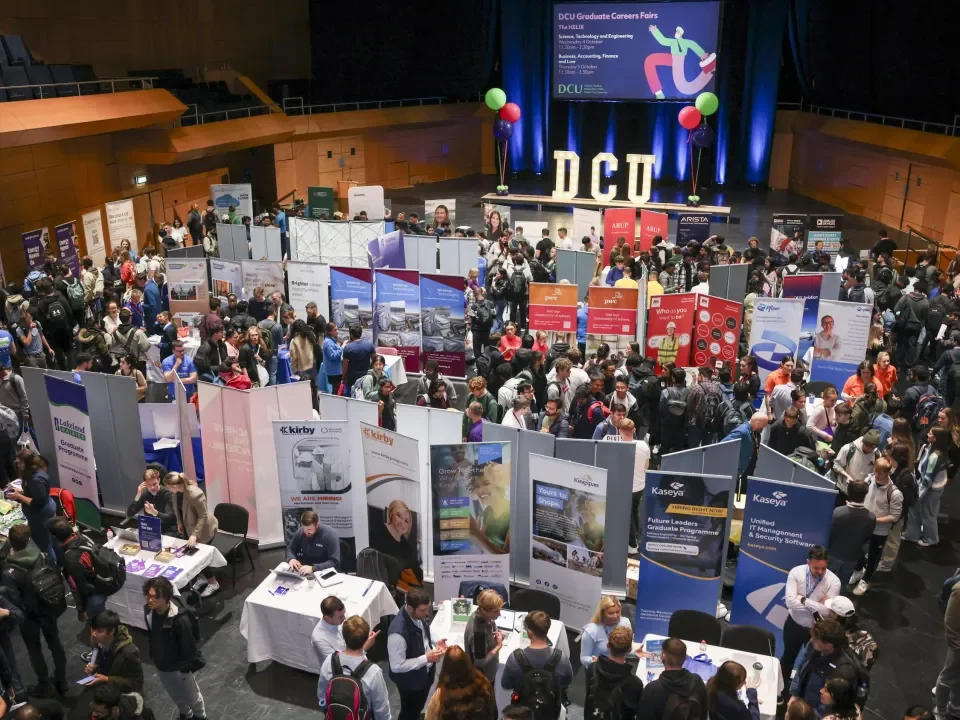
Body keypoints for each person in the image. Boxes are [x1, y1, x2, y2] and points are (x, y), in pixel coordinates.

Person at [2, 523, 64, 699]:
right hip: (48, 607)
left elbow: (13, 600)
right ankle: (62, 679)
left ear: (10, 542)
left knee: (34, 649)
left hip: (29, 616)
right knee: (55, 642)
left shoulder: (9, 571)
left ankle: (43, 684)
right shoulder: (43, 556)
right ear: (28, 540)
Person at [142, 577, 207, 720]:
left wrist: (183, 669)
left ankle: (200, 717)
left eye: (154, 597)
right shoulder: (149, 611)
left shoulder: (179, 620)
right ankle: (186, 714)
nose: (150, 600)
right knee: (175, 695)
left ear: (165, 597)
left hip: (179, 668)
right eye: (148, 595)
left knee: (192, 696)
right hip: (161, 665)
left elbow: (189, 647)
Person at [780, 546, 841, 687]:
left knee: (812, 663)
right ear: (808, 562)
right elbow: (790, 602)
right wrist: (818, 605)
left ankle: (803, 691)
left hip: (817, 630)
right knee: (788, 657)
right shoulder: (796, 573)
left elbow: (827, 611)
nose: (820, 572)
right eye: (816, 568)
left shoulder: (834, 581)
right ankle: (781, 689)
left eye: (823, 568)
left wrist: (802, 599)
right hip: (794, 625)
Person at [501, 611, 574, 718]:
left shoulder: (515, 658)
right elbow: (566, 681)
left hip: (522, 714)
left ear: (529, 633)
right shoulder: (561, 657)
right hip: (551, 712)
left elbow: (506, 685)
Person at [388, 588, 446, 720]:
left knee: (419, 706)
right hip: (410, 683)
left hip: (424, 675)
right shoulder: (397, 634)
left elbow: (424, 632)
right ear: (409, 608)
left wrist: (436, 641)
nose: (427, 613)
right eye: (423, 610)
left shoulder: (416, 615)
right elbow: (396, 666)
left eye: (428, 609)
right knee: (409, 712)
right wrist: (426, 658)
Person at [851, 457, 903, 595]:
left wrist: (874, 520)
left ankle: (866, 579)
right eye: (875, 471)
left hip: (880, 530)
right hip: (864, 525)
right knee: (857, 548)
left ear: (888, 472)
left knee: (874, 556)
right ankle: (858, 570)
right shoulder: (869, 481)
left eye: (881, 472)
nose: (877, 475)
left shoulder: (895, 493)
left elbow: (894, 516)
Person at [163, 472, 220, 597]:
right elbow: (178, 510)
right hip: (188, 526)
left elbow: (203, 516)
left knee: (201, 556)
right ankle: (202, 578)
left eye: (169, 487)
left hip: (203, 529)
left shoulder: (195, 494)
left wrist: (195, 534)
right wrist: (179, 522)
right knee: (191, 554)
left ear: (175, 485)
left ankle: (213, 583)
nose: (168, 490)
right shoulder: (176, 494)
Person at [788, 620, 860, 718]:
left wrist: (808, 716)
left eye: (815, 639)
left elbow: (832, 705)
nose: (811, 640)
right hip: (801, 703)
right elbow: (801, 666)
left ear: (829, 645)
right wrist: (795, 694)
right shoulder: (814, 646)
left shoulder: (843, 672)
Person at [636, 637, 707, 720]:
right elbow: (704, 714)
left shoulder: (652, 690)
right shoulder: (697, 681)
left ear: (663, 657)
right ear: (685, 657)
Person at [904, 425, 952, 546]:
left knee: (928, 514)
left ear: (935, 438)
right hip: (929, 486)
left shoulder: (935, 457)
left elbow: (927, 480)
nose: (927, 435)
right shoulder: (932, 448)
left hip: (930, 489)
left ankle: (931, 539)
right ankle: (912, 535)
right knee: (916, 510)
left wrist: (918, 495)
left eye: (930, 434)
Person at [7, 450, 56, 562]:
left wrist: (19, 496)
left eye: (20, 463)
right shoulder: (37, 470)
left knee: (45, 545)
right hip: (46, 508)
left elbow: (38, 502)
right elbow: (39, 492)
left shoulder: (35, 479)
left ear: (27, 462)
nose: (18, 465)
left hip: (41, 514)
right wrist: (21, 492)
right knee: (50, 539)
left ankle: (52, 565)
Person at [424, 645, 496, 720]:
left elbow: (429, 718)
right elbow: (492, 711)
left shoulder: (440, 695)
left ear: (446, 667)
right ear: (467, 662)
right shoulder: (483, 683)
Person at [827, 480, 876, 587]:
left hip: (834, 553)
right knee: (843, 583)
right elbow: (867, 539)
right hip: (853, 556)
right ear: (865, 494)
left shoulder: (838, 512)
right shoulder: (871, 517)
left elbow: (830, 532)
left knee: (827, 581)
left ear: (849, 493)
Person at [370, 500, 423, 590]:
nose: (402, 522)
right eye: (398, 515)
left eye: (406, 520)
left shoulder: (405, 544)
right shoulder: (377, 533)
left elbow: (414, 567)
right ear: (391, 514)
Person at [86, 610, 144, 693]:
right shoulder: (97, 641)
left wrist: (107, 679)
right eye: (93, 629)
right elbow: (102, 659)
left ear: (112, 631)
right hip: (103, 683)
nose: (93, 634)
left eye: (99, 631)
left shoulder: (129, 652)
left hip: (120, 691)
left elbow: (136, 683)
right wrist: (95, 666)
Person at [464, 589, 504, 686]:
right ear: (483, 610)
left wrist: (497, 632)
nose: (499, 614)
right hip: (482, 678)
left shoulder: (482, 614)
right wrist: (498, 647)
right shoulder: (478, 632)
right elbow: (480, 662)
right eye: (495, 611)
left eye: (499, 610)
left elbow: (492, 625)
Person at [580, 596, 632, 670]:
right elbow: (583, 657)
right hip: (598, 670)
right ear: (602, 613)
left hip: (619, 668)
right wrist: (593, 661)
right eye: (611, 613)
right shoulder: (591, 632)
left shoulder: (625, 623)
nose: (615, 616)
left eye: (618, 612)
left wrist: (635, 652)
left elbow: (625, 649)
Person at [285, 510, 341, 574]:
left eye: (309, 529)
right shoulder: (300, 532)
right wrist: (291, 559)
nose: (306, 532)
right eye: (304, 529)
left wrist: (314, 568)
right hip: (305, 568)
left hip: (323, 569)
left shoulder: (330, 535)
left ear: (317, 525)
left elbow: (334, 561)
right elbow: (290, 548)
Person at [832, 429, 881, 499]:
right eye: (869, 448)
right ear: (864, 443)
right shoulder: (848, 449)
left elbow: (876, 473)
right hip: (845, 490)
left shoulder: (877, 454)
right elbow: (836, 465)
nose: (871, 451)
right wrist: (847, 476)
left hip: (863, 493)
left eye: (874, 448)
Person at [126, 468, 177, 534]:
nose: (152, 487)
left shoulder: (168, 494)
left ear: (159, 480)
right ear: (145, 483)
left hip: (167, 530)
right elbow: (129, 513)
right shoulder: (144, 493)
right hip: (151, 530)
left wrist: (154, 512)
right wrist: (137, 496)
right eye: (149, 485)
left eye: (154, 484)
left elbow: (170, 519)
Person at [311, 597, 348, 669]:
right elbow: (336, 663)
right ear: (327, 618)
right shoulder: (319, 639)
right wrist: (363, 649)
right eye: (340, 617)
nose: (344, 618)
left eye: (344, 614)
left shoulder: (339, 617)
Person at [342, 325, 375, 391]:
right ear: (361, 334)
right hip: (366, 376)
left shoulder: (347, 348)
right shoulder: (370, 345)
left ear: (351, 334)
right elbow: (375, 360)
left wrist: (342, 378)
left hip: (353, 377)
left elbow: (345, 366)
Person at [764, 355, 795, 420]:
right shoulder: (772, 376)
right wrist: (769, 413)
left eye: (792, 366)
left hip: (787, 409)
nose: (790, 368)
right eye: (787, 365)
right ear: (781, 365)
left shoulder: (791, 376)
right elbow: (768, 396)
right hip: (775, 409)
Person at [321, 322, 343, 392]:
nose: (337, 331)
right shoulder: (328, 342)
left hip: (335, 370)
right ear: (329, 332)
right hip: (333, 371)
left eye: (337, 329)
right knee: (336, 390)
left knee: (336, 388)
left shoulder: (332, 340)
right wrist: (342, 348)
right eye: (335, 330)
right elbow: (332, 356)